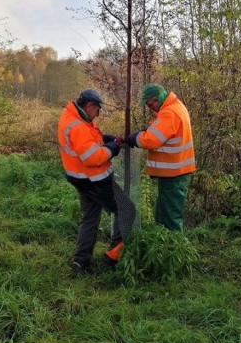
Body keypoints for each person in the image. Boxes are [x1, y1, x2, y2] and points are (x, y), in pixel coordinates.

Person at [57, 89, 136, 274]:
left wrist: (106, 140)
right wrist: (112, 148)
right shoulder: (78, 126)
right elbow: (92, 157)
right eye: (97, 109)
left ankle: (80, 261)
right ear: (89, 105)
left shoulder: (72, 117)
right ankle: (114, 256)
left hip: (79, 178)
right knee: (126, 210)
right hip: (94, 180)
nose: (98, 113)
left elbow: (87, 142)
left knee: (90, 217)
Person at [126, 83, 196, 230]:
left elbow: (152, 139)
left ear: (157, 98)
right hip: (175, 172)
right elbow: (160, 131)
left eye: (149, 103)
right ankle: (164, 247)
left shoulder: (169, 112)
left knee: (170, 219)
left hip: (174, 173)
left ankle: (175, 250)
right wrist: (145, 131)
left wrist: (136, 138)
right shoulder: (174, 108)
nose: (149, 107)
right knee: (162, 214)